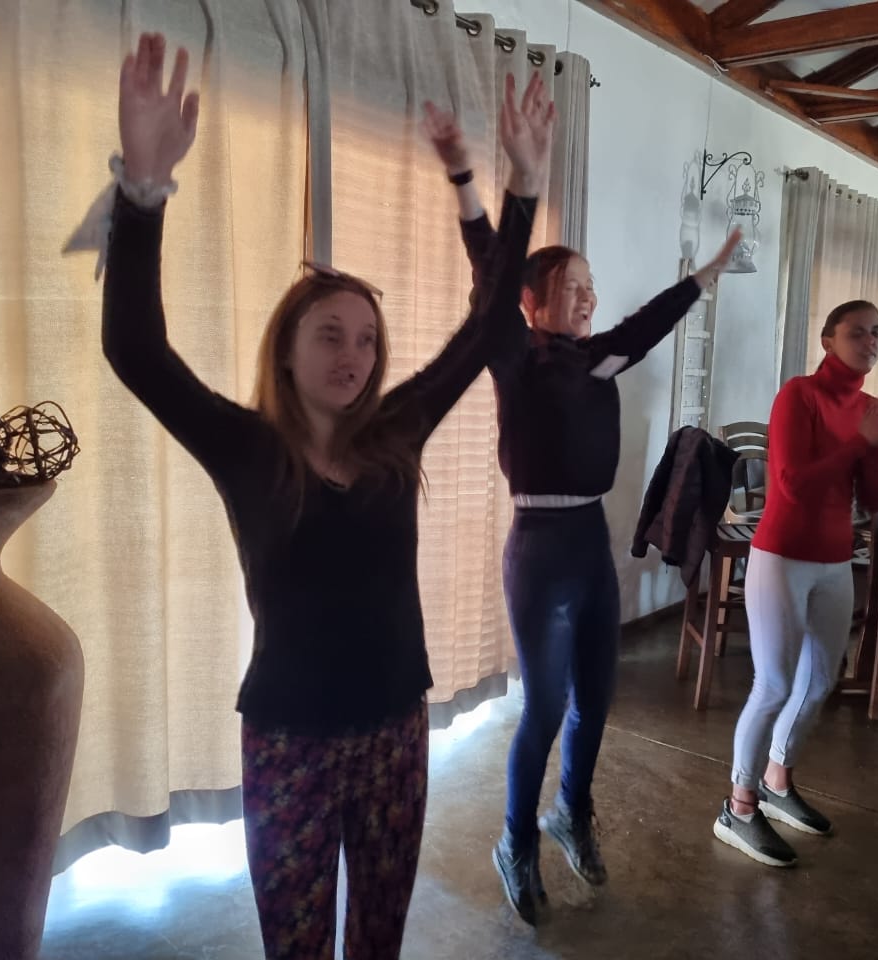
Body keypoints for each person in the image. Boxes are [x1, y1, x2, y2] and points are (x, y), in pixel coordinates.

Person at [100, 33, 552, 958]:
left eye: (368, 340)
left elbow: (488, 323)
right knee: (298, 945)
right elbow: (135, 350)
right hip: (289, 740)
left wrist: (522, 187)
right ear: (287, 348)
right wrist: (143, 190)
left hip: (394, 727)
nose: (355, 356)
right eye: (331, 336)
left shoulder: (397, 433)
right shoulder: (248, 448)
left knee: (378, 936)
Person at [427, 101, 739, 922]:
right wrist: (466, 181)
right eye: (573, 287)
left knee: (595, 699)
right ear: (533, 302)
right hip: (538, 548)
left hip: (590, 543)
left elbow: (649, 324)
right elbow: (491, 273)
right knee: (543, 705)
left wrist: (705, 276)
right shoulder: (513, 356)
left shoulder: (598, 358)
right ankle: (515, 841)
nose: (589, 297)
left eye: (591, 287)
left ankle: (572, 811)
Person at [712, 300, 878, 869]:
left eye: (877, 333)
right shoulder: (799, 395)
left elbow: (875, 499)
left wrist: (874, 445)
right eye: (857, 332)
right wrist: (860, 441)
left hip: (835, 560)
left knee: (819, 681)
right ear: (827, 339)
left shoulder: (867, 408)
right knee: (773, 684)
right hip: (781, 556)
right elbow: (791, 485)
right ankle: (738, 808)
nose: (870, 342)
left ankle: (776, 780)